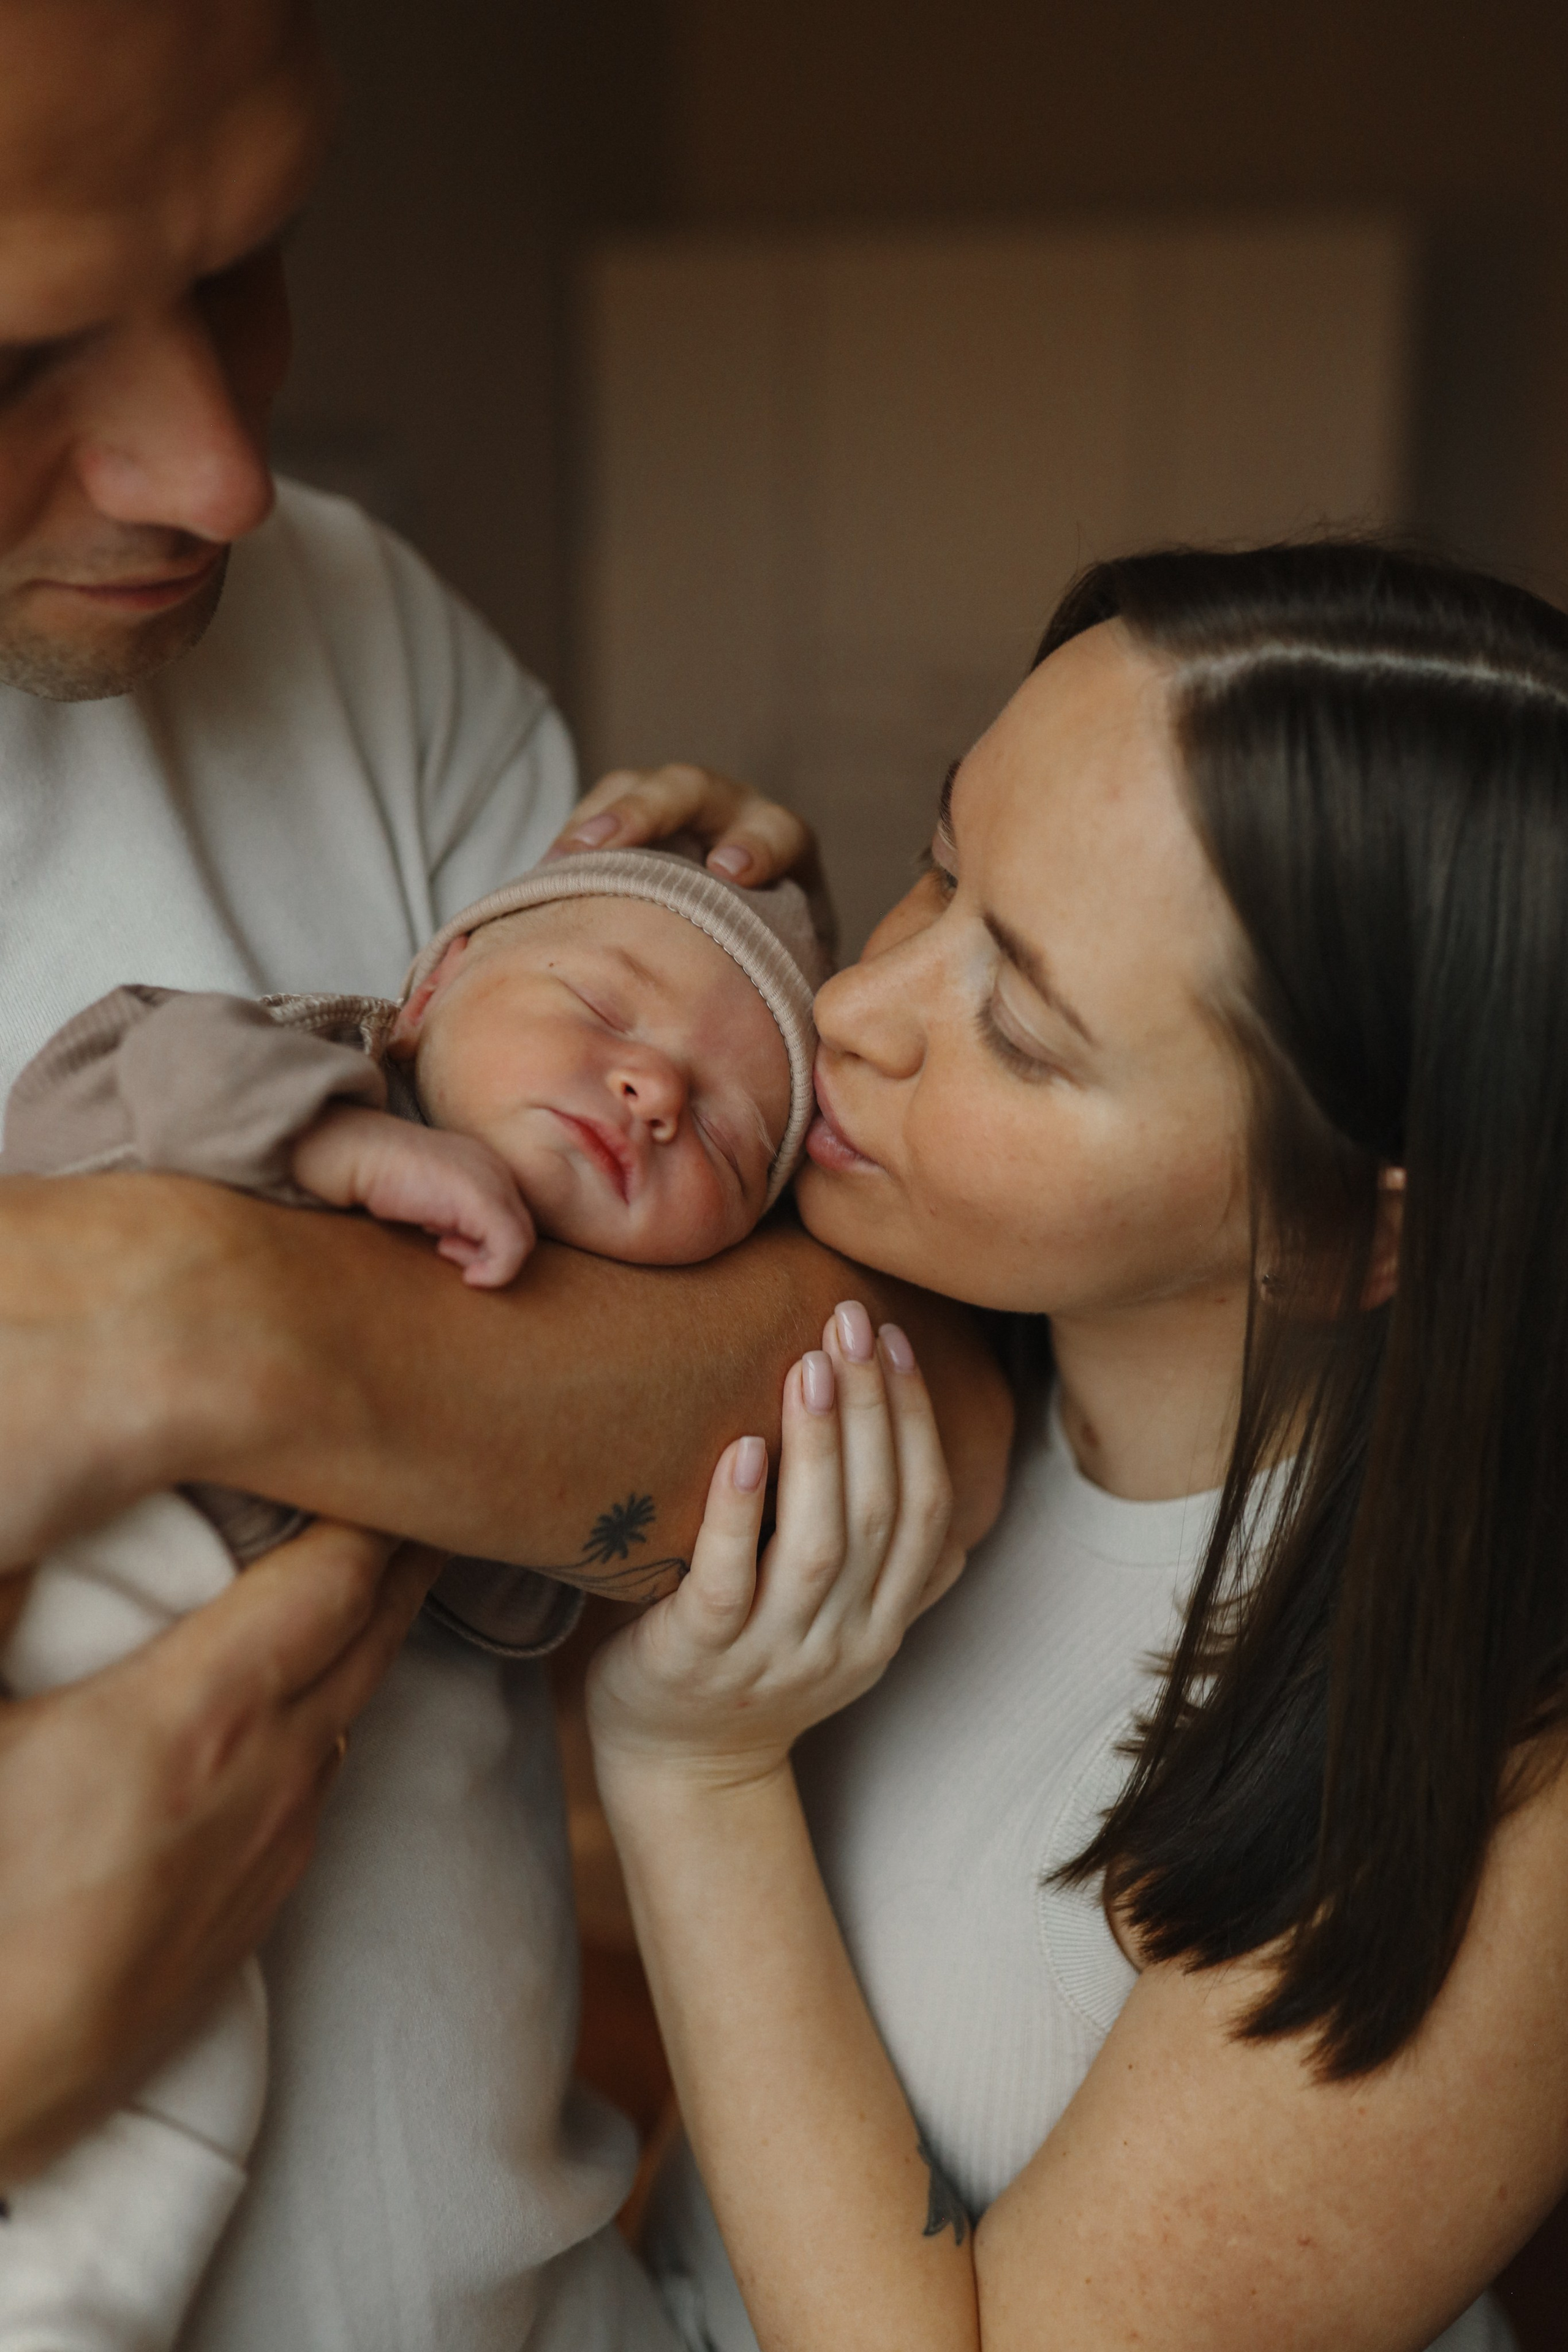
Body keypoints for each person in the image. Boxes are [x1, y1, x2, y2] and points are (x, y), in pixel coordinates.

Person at [0, 1, 1011, 2343]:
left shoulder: (357, 636)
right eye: (26, 344)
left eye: (254, 257)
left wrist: (179, 1320)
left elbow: (909, 1413)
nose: (222, 470)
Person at [580, 543, 1568, 2352]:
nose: (859, 1012)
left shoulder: (1494, 1769)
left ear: (1353, 1232)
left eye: (1021, 1034)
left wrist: (692, 1781)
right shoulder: (943, 1363)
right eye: (940, 865)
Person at [0, 836, 831, 2345]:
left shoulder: (564, 1338)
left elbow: (510, 1605)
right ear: (435, 985)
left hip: (225, 1849)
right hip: (62, 1628)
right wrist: (335, 1151)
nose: (652, 1089)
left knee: (187, 2083)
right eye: (600, 1002)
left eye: (728, 1133)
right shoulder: (315, 1066)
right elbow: (92, 1073)